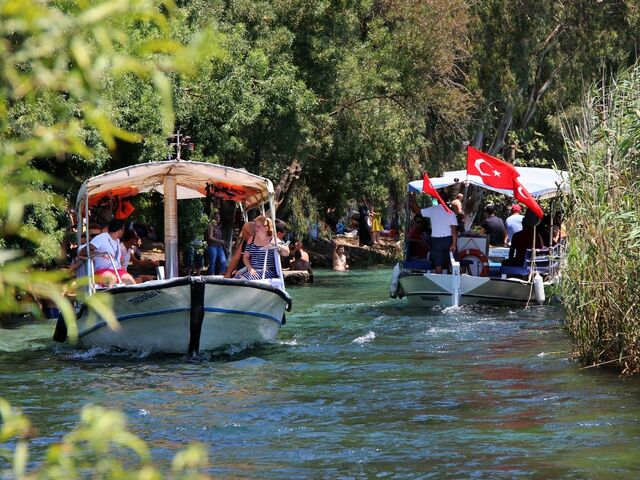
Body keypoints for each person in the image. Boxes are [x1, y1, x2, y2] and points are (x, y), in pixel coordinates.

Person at [238, 216, 290, 280]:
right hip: (252, 270)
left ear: (266, 228)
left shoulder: (274, 240)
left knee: (244, 278)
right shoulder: (251, 239)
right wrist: (250, 268)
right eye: (255, 226)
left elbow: (286, 253)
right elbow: (245, 257)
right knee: (236, 278)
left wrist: (276, 245)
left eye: (259, 226)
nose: (256, 228)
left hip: (267, 271)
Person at [89, 219, 136, 286]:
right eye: (123, 230)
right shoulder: (102, 237)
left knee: (130, 279)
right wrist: (101, 255)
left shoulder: (117, 241)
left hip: (117, 270)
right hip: (102, 270)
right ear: (120, 231)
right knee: (112, 279)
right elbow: (84, 251)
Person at [421, 201, 458, 274]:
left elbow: (418, 211)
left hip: (436, 240)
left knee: (438, 264)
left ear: (438, 200)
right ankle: (455, 278)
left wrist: (413, 198)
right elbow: (454, 230)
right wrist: (454, 244)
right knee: (454, 260)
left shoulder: (432, 209)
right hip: (448, 239)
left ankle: (439, 279)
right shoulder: (451, 212)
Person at [206, 211, 227, 275]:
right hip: (212, 246)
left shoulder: (219, 226)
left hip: (219, 246)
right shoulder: (210, 225)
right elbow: (210, 237)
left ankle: (220, 275)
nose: (218, 219)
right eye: (216, 217)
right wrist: (220, 241)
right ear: (213, 218)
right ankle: (211, 276)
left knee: (223, 262)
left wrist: (224, 247)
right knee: (212, 262)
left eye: (218, 217)